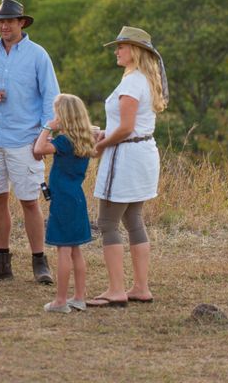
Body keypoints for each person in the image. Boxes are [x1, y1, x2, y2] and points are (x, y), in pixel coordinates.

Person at [0, 0, 60, 284]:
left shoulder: (38, 55)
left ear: (21, 23)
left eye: (9, 21)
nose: (3, 26)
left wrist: (43, 138)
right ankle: (1, 262)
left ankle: (39, 261)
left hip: (25, 140)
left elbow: (51, 99)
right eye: (0, 21)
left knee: (29, 201)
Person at [86, 26, 168, 307]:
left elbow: (126, 128)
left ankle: (116, 290)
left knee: (107, 222)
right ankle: (141, 287)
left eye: (121, 46)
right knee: (133, 219)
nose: (116, 51)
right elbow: (129, 126)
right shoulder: (145, 79)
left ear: (135, 50)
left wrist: (100, 146)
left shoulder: (133, 82)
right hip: (143, 153)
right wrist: (105, 134)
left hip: (126, 157)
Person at [34, 94, 94, 313]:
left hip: (63, 199)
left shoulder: (63, 141)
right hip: (76, 197)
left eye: (57, 113)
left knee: (63, 249)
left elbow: (38, 149)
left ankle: (60, 300)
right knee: (75, 249)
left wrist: (47, 128)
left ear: (64, 115)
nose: (55, 117)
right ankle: (79, 297)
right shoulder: (82, 139)